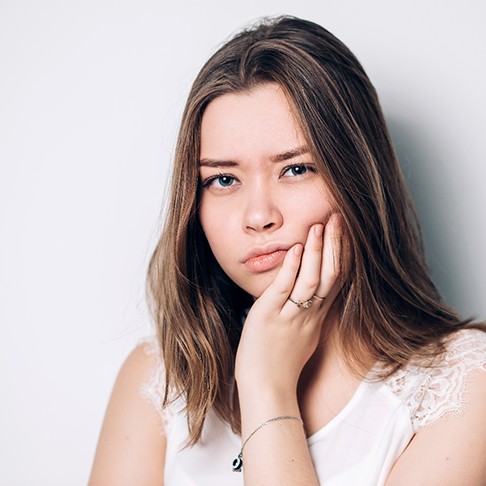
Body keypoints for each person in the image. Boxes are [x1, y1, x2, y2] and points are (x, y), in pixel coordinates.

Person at [89, 16, 486, 485]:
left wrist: (267, 387)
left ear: (358, 178)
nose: (258, 216)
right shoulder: (158, 378)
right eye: (223, 179)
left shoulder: (465, 385)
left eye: (295, 170)